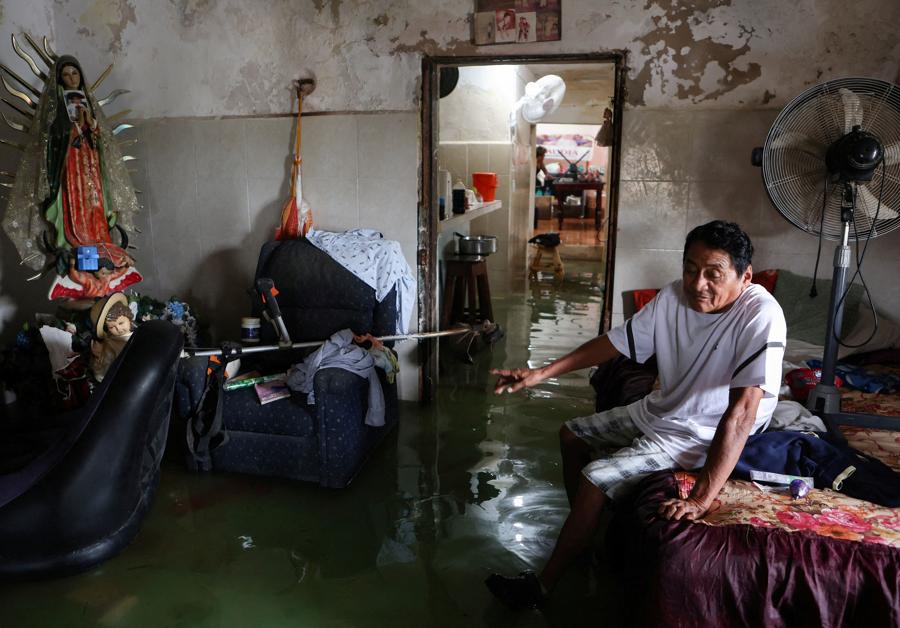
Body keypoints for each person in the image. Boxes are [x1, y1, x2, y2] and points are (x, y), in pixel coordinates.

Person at [485, 221, 786, 610]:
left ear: (745, 276)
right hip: (665, 409)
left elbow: (744, 412)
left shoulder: (760, 313)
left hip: (702, 430)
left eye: (714, 274)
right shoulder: (674, 297)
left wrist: (700, 498)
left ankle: (542, 587)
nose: (698, 284)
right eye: (691, 269)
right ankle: (586, 536)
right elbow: (614, 343)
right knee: (571, 434)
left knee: (596, 477)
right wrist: (540, 373)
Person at [2, 55, 142, 302]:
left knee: (98, 207)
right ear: (59, 80)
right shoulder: (55, 113)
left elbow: (103, 147)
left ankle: (101, 249)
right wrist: (68, 128)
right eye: (66, 75)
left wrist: (91, 126)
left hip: (92, 171)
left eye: (75, 74)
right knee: (73, 209)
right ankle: (78, 249)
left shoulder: (88, 105)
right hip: (69, 172)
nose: (71, 78)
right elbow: (49, 145)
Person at [89, 292, 135, 382]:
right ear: (107, 329)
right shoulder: (111, 343)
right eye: (112, 327)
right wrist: (100, 354)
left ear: (129, 318)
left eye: (121, 323)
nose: (118, 328)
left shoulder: (136, 334)